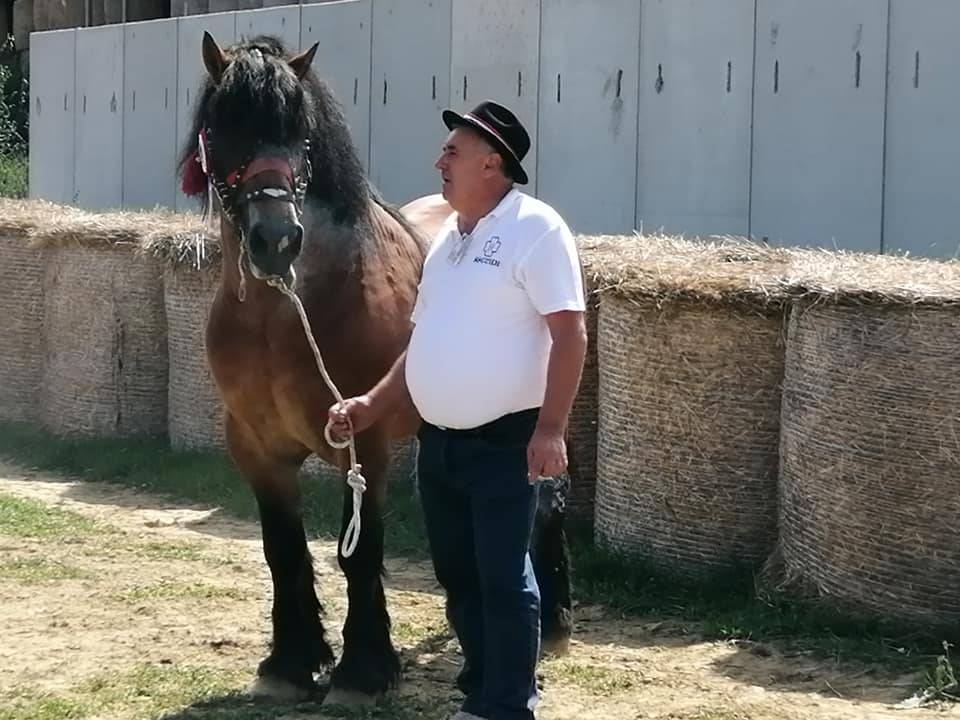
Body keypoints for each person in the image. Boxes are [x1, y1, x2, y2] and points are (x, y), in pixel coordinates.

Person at [328, 99, 587, 720]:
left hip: (506, 441)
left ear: (492, 164)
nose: (438, 161)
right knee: (458, 575)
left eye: (453, 152)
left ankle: (507, 705)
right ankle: (481, 689)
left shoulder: (536, 229)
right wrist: (371, 403)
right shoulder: (447, 244)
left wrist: (550, 429)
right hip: (439, 444)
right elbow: (424, 344)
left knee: (502, 579)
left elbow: (570, 333)